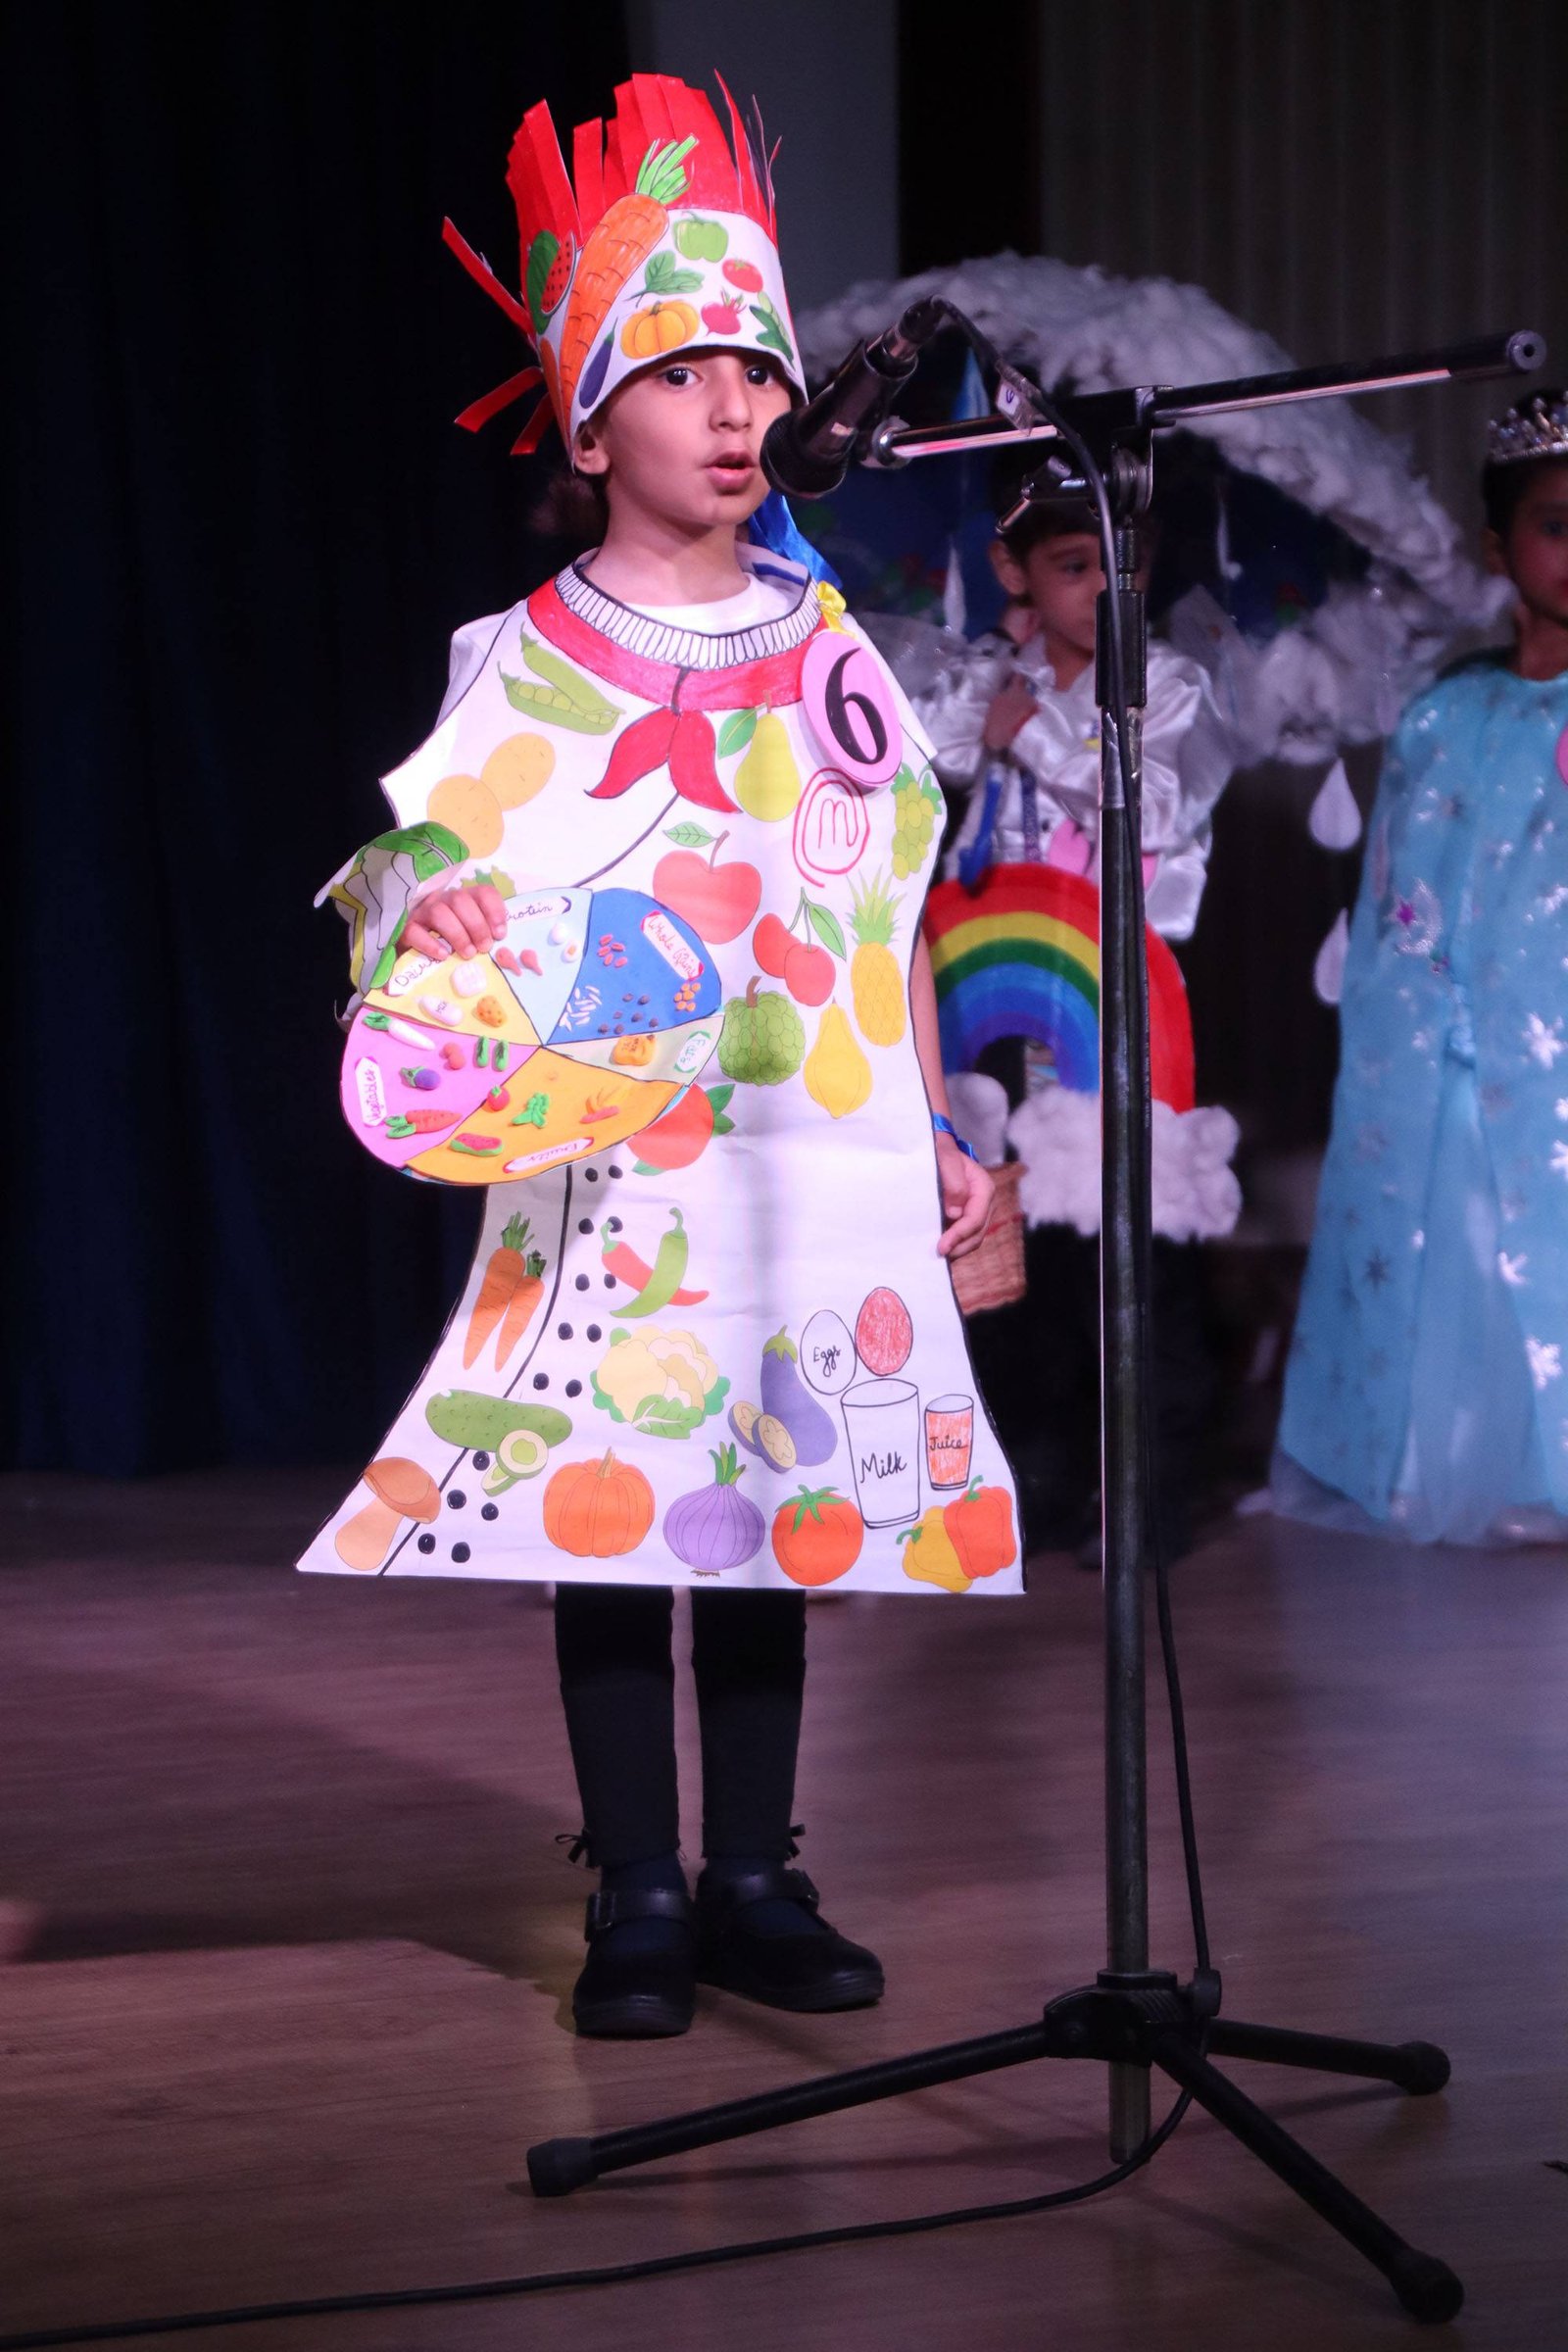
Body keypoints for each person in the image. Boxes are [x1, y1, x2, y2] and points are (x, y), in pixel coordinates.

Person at [299, 74, 1021, 2039]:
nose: (730, 409)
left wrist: (936, 1122)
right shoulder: (515, 656)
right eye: (680, 370)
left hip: (805, 1149)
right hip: (617, 1166)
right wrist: (430, 907)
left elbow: (886, 907)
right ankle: (632, 1878)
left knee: (779, 1496)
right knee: (615, 1501)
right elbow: (402, 868)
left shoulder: (832, 644)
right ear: (588, 416)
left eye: (756, 371)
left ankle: (757, 1873)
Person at [915, 493, 1236, 1559]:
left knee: (1133, 1249)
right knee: (1012, 1248)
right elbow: (914, 764)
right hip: (996, 999)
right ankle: (1036, 1478)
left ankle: (1147, 1491)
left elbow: (1163, 806)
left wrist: (1039, 732)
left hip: (1117, 1003)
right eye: (1072, 565)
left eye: (1121, 561)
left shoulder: (1171, 684)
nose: (1104, 588)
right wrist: (985, 718)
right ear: (1013, 573)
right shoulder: (988, 677)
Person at [1275, 390, 1568, 1544]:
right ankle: (1449, 1461)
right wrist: (1419, 1023)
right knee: (1458, 1232)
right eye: (1554, 524)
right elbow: (1398, 897)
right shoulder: (1446, 713)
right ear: (1498, 547)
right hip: (1450, 1034)